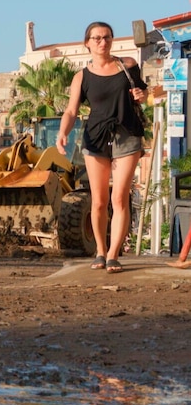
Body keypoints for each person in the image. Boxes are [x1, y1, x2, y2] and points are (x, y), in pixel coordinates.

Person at [56, 21, 148, 274]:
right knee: (98, 201)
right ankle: (99, 249)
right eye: (96, 38)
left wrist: (142, 96)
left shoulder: (127, 65)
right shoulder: (81, 77)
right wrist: (62, 133)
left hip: (126, 135)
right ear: (87, 43)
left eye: (106, 37)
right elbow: (72, 110)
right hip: (95, 139)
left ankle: (113, 254)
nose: (102, 42)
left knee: (119, 198)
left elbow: (142, 93)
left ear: (112, 40)